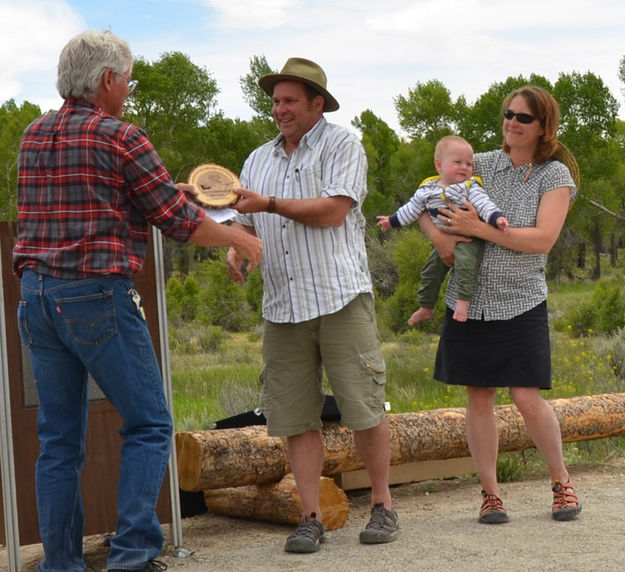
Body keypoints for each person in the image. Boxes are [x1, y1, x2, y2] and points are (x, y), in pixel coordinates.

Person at [13, 30, 261, 572]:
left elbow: (118, 194)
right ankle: (132, 556)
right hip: (97, 294)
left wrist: (179, 192)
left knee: (58, 443)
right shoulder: (121, 136)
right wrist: (239, 237)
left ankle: (61, 564)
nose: (128, 89)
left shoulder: (32, 136)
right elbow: (174, 221)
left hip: (34, 296)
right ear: (106, 81)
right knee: (149, 425)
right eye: (126, 80)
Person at [224, 57, 399, 553]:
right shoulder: (257, 159)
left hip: (339, 296)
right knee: (294, 416)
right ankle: (309, 517)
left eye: (289, 100)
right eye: (275, 101)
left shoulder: (343, 143)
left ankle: (383, 506)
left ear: (316, 103)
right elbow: (244, 223)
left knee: (363, 407)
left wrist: (270, 205)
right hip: (282, 306)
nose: (280, 109)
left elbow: (333, 211)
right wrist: (236, 249)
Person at [420, 86, 581, 524]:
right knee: (479, 396)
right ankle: (490, 494)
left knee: (528, 397)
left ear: (543, 126)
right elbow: (424, 198)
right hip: (467, 303)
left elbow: (542, 240)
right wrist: (440, 240)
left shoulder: (555, 176)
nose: (512, 122)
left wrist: (480, 228)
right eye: (509, 114)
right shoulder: (481, 163)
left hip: (522, 300)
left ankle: (561, 481)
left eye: (523, 118)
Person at [376, 135, 509, 323]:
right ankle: (426, 306)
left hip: (468, 239)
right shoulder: (427, 189)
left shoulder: (470, 186)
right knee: (430, 270)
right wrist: (392, 220)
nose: (465, 167)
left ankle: (463, 301)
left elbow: (484, 204)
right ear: (439, 165)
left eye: (469, 164)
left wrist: (497, 218)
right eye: (458, 162)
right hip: (443, 237)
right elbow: (411, 209)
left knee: (465, 263)